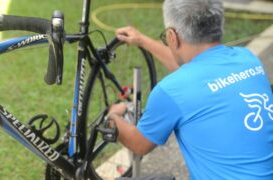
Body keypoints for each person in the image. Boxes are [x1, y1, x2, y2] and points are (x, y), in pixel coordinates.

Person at [107, 0, 273, 179]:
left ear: (172, 36)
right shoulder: (247, 59)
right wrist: (142, 40)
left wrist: (113, 116)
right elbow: (194, 72)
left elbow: (138, 144)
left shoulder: (171, 90)